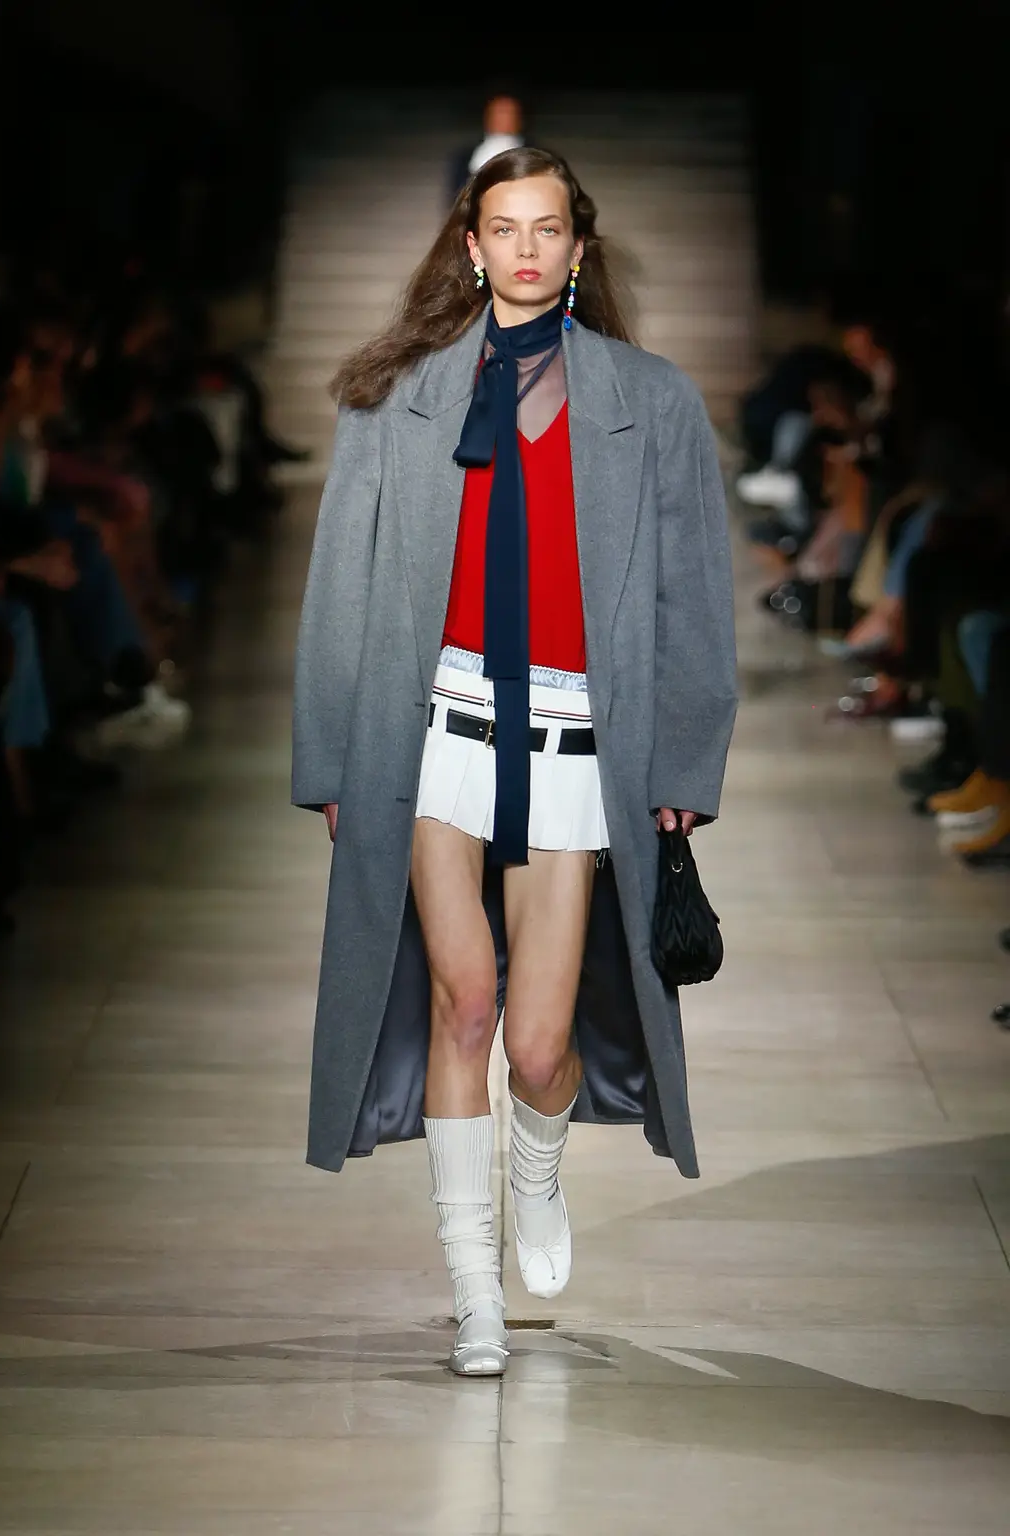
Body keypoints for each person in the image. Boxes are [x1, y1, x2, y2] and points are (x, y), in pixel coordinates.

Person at [292, 147, 737, 1378]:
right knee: (464, 1005)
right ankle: (473, 1288)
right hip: (435, 730)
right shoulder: (395, 397)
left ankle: (535, 1174)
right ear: (471, 246)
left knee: (539, 1048)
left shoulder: (652, 401)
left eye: (548, 229)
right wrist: (330, 756)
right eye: (505, 228)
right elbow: (341, 585)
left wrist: (684, 762)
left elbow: (695, 595)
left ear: (578, 249)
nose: (527, 249)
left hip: (574, 742)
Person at [446, 95, 525, 208]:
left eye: (509, 113)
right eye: (499, 113)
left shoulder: (535, 152)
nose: (503, 119)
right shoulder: (466, 155)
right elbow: (456, 194)